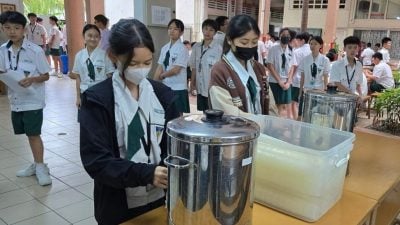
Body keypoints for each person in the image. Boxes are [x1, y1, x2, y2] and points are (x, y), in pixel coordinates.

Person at [80, 18, 179, 225]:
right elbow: (96, 161)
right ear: (113, 56)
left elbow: (174, 148)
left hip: (159, 199)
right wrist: (146, 173)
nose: (141, 69)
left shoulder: (163, 95)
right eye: (133, 63)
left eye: (147, 62)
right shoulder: (98, 100)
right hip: (117, 204)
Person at [0, 11, 52, 186]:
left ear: (24, 30)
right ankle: (36, 163)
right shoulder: (2, 50)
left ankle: (41, 167)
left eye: (16, 28)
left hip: (33, 99)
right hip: (15, 100)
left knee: (34, 134)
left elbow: (46, 75)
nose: (12, 31)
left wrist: (33, 79)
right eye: (7, 28)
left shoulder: (35, 50)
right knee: (28, 135)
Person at [209, 14, 268, 126]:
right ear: (230, 40)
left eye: (254, 42)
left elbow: (270, 106)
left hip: (262, 136)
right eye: (244, 42)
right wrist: (263, 123)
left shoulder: (259, 68)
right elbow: (229, 115)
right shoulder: (220, 71)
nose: (250, 47)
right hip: (236, 137)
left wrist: (273, 125)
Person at [69, 24, 114, 121]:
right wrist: (78, 97)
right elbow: (78, 78)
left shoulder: (104, 55)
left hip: (101, 95)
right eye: (90, 35)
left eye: (96, 36)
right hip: (84, 93)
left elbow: (110, 77)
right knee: (85, 123)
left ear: (99, 38)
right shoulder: (79, 56)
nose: (93, 39)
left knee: (100, 123)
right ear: (84, 37)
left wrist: (109, 97)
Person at [154, 19, 190, 114]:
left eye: (175, 29)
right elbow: (160, 67)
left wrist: (162, 76)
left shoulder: (183, 49)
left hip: (178, 87)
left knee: (178, 116)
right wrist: (153, 84)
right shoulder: (164, 48)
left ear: (181, 32)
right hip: (166, 86)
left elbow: (176, 70)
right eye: (170, 28)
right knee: (167, 114)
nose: (172, 31)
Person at [189, 19, 222, 111]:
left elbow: (219, 71)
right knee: (204, 113)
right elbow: (194, 67)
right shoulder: (196, 47)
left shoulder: (218, 49)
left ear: (215, 32)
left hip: (212, 89)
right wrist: (192, 84)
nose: (208, 32)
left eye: (211, 30)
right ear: (202, 30)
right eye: (206, 29)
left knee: (213, 113)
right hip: (200, 88)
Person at [298, 36, 330, 118]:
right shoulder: (305, 59)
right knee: (305, 114)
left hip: (319, 91)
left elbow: (325, 77)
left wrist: (326, 91)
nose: (312, 46)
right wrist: (300, 92)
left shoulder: (325, 60)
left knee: (316, 115)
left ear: (320, 45)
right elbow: (302, 77)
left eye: (315, 44)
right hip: (307, 91)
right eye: (311, 44)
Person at [266, 28, 294, 118]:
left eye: (288, 35)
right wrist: (279, 81)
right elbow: (270, 65)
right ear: (280, 35)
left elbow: (292, 67)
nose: (286, 36)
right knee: (274, 106)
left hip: (286, 82)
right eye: (283, 34)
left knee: (283, 106)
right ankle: (274, 125)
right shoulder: (273, 48)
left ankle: (279, 124)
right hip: (275, 81)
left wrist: (289, 82)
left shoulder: (291, 50)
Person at [288, 32, 311, 120]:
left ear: (303, 40)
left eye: (298, 40)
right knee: (305, 103)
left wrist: (290, 78)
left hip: (297, 80)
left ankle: (296, 120)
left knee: (294, 102)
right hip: (309, 81)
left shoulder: (298, 51)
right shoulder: (311, 50)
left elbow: (294, 66)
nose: (296, 42)